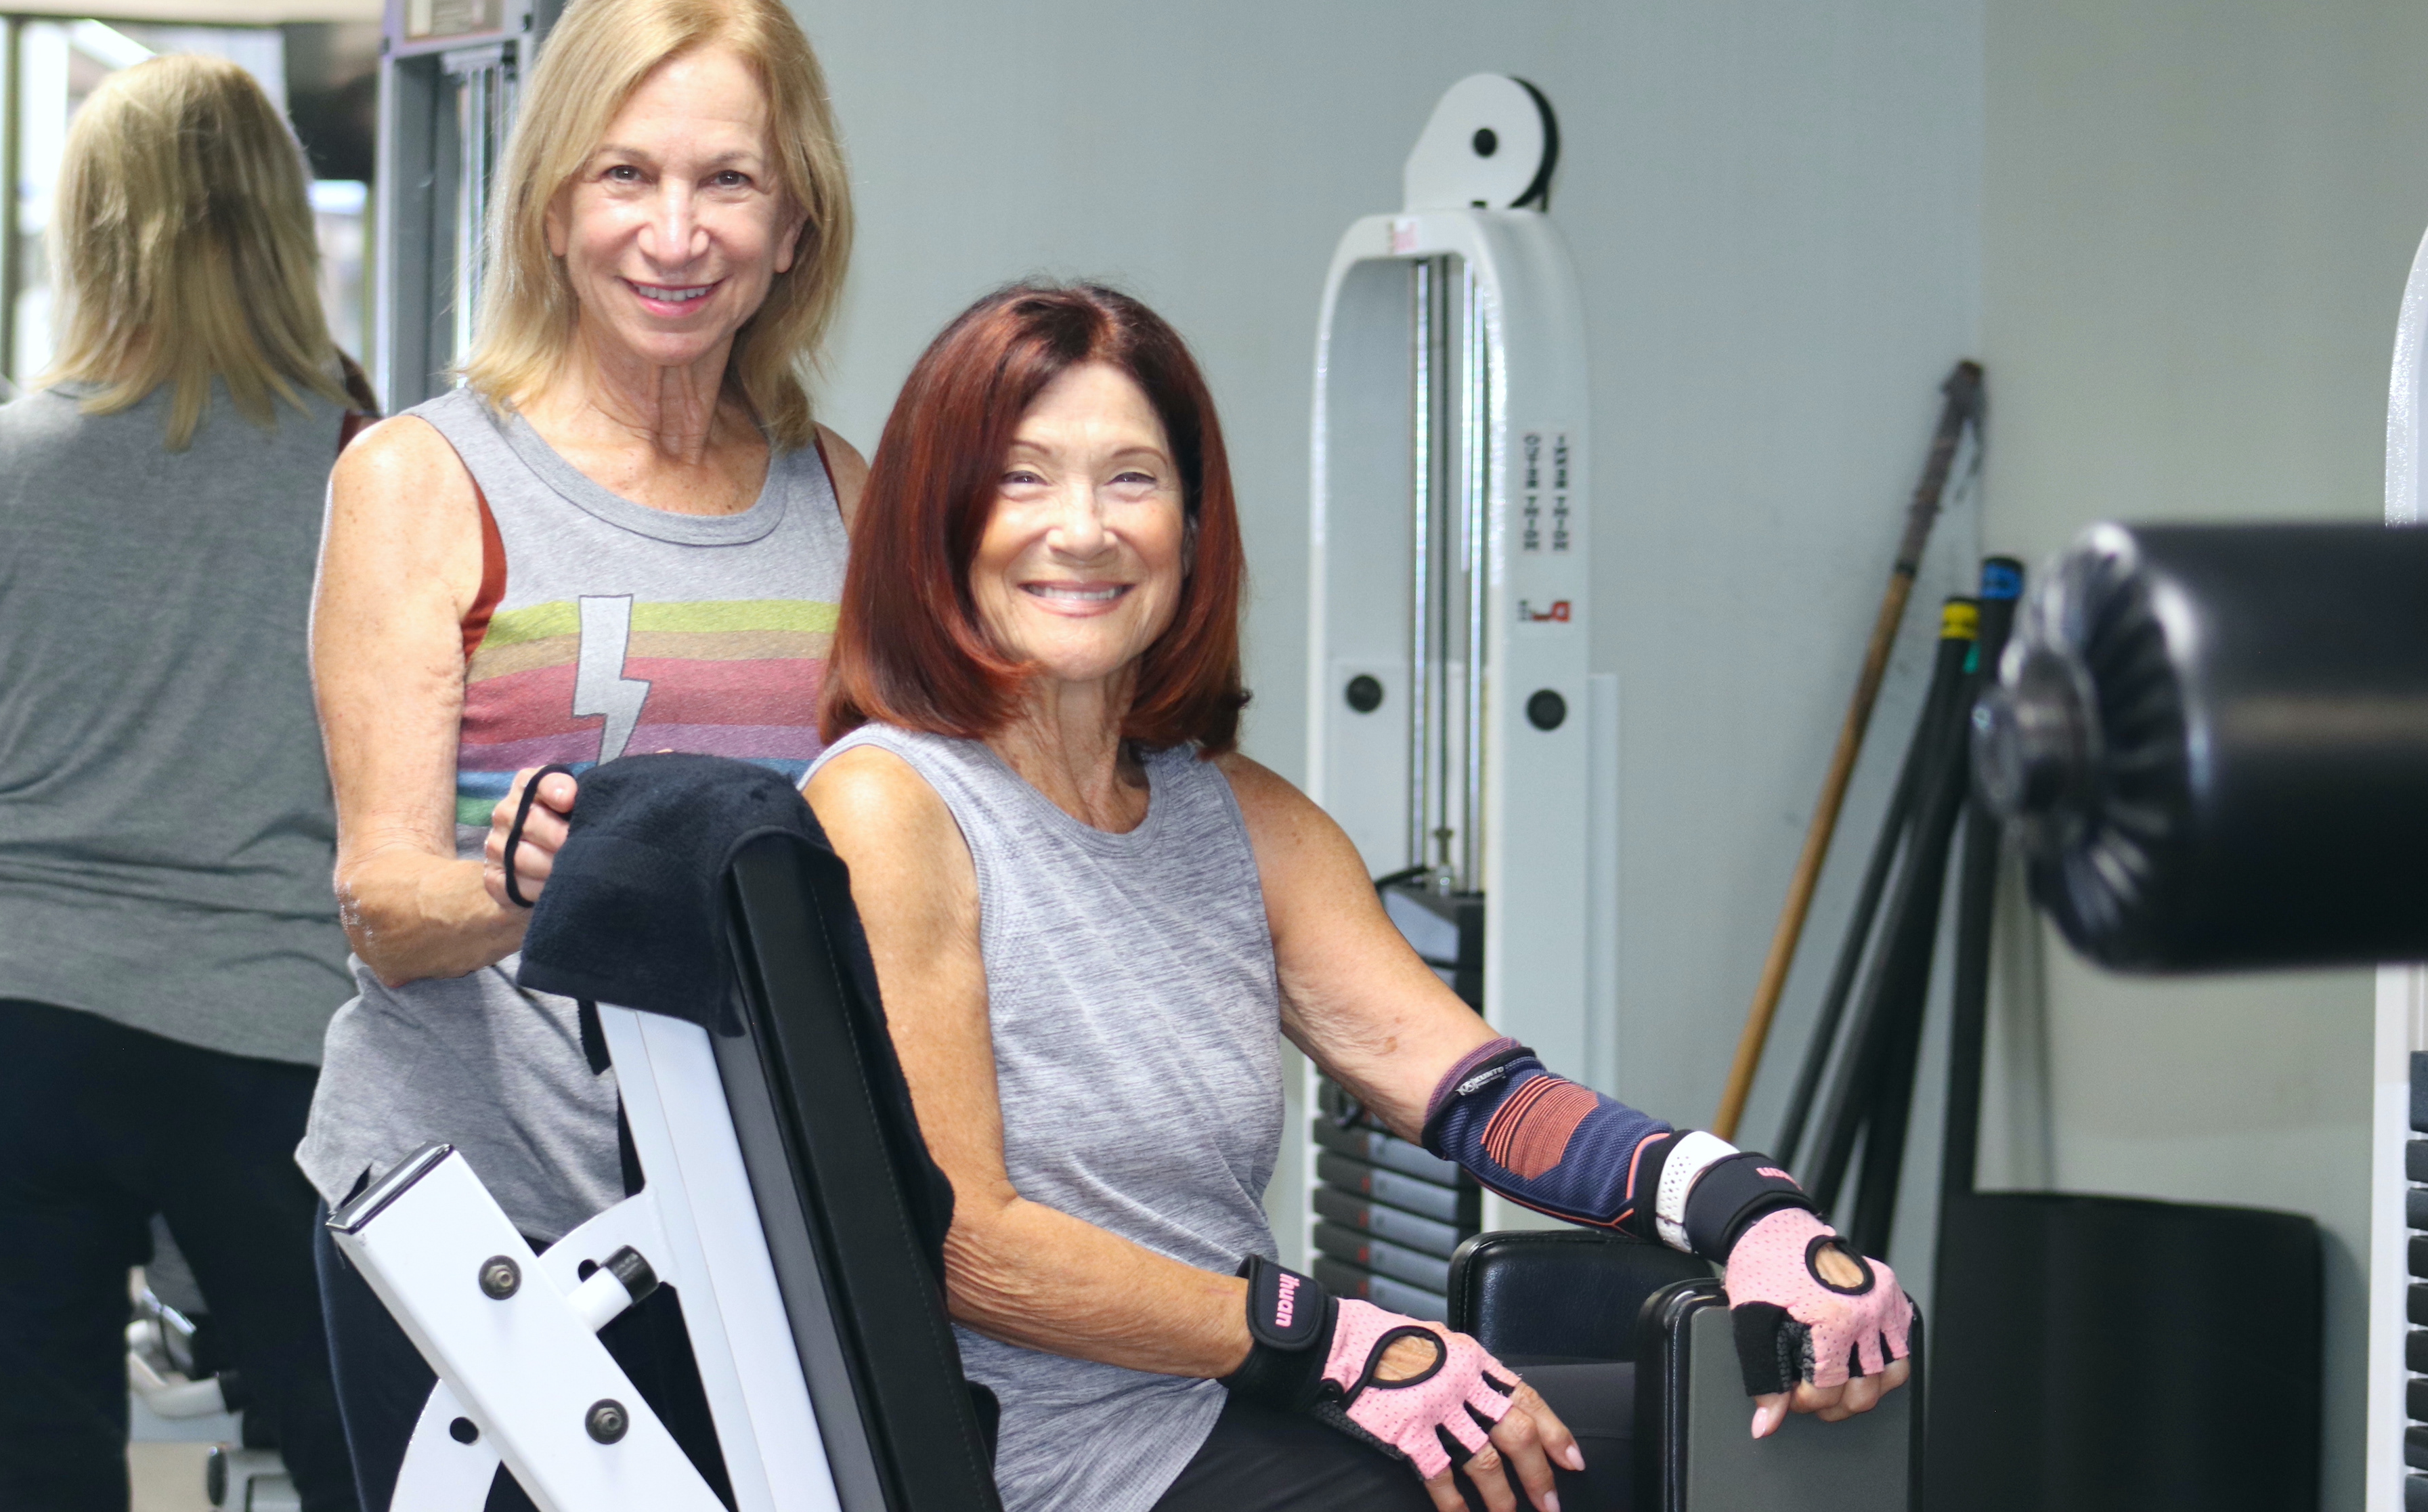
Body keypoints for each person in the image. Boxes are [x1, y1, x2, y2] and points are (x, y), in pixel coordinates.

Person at [798, 283, 1915, 1512]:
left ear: (1192, 523)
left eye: (1132, 479)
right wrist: (1332, 1344)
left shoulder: (1238, 815)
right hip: (1054, 1463)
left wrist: (1752, 1213)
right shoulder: (890, 805)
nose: (1084, 529)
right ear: (936, 521)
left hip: (1236, 1402)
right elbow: (968, 1242)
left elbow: (1489, 1098)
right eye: (1023, 478)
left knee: (1736, 1429)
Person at [299, 0, 863, 1508]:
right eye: (625, 175)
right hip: (481, 1209)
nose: (675, 233)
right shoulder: (424, 478)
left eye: (729, 180)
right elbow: (382, 902)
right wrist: (531, 882)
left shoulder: (844, 494)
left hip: (759, 1208)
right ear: (551, 207)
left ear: (794, 223)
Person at [0, 54, 362, 1511]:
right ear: (278, 222)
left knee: (43, 1473)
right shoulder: (367, 457)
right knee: (357, 1458)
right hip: (262, 1033)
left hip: (1, 1025)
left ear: (91, 228)